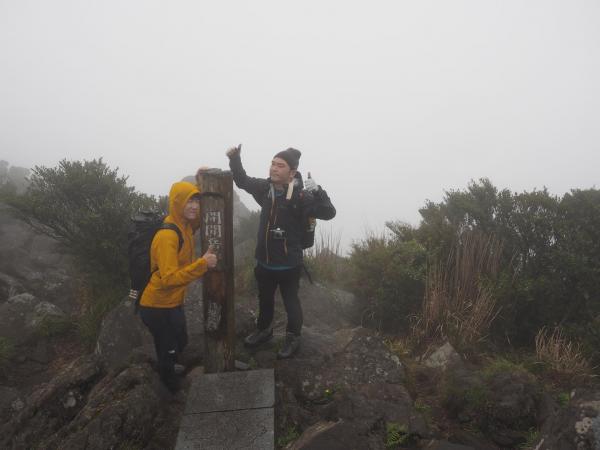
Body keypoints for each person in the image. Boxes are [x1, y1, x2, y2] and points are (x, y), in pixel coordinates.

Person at [226, 145, 336, 358]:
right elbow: (241, 180)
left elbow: (329, 212)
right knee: (265, 299)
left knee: (291, 302)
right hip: (264, 261)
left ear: (292, 173)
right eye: (273, 164)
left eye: (280, 165)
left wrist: (318, 191)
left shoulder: (302, 197)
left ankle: (293, 336)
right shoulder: (264, 188)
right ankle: (264, 330)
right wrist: (235, 159)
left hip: (289, 264)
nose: (274, 168)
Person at [138, 181, 217, 392]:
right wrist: (202, 264)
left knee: (181, 340)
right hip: (156, 304)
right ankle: (170, 388)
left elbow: (200, 219)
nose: (194, 206)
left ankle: (170, 366)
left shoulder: (185, 226)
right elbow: (169, 279)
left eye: (196, 201)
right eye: (188, 201)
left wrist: (201, 179)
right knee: (169, 347)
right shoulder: (168, 236)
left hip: (172, 301)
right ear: (176, 203)